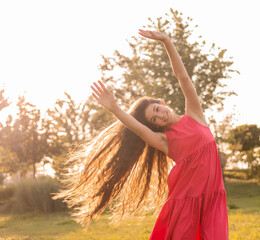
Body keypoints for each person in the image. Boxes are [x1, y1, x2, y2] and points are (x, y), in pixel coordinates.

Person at [55, 29, 229, 239]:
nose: (159, 117)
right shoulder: (165, 141)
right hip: (185, 204)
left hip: (213, 199)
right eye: (154, 120)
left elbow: (182, 78)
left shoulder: (195, 116)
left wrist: (167, 42)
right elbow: (138, 128)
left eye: (157, 110)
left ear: (161, 103)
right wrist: (114, 108)